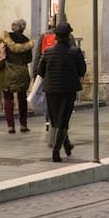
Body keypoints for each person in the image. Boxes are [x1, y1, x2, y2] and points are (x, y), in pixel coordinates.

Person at [37, 22, 86, 162]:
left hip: (51, 90)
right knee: (63, 120)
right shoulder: (75, 52)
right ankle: (56, 151)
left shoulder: (48, 52)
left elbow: (41, 71)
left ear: (56, 36)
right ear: (68, 36)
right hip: (68, 90)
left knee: (56, 120)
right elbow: (82, 70)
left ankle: (67, 145)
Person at [0, 19, 34, 134]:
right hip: (22, 72)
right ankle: (23, 125)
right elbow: (29, 59)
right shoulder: (27, 41)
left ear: (13, 27)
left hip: (7, 72)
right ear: (23, 28)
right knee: (22, 98)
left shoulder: (5, 39)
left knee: (8, 98)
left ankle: (10, 126)